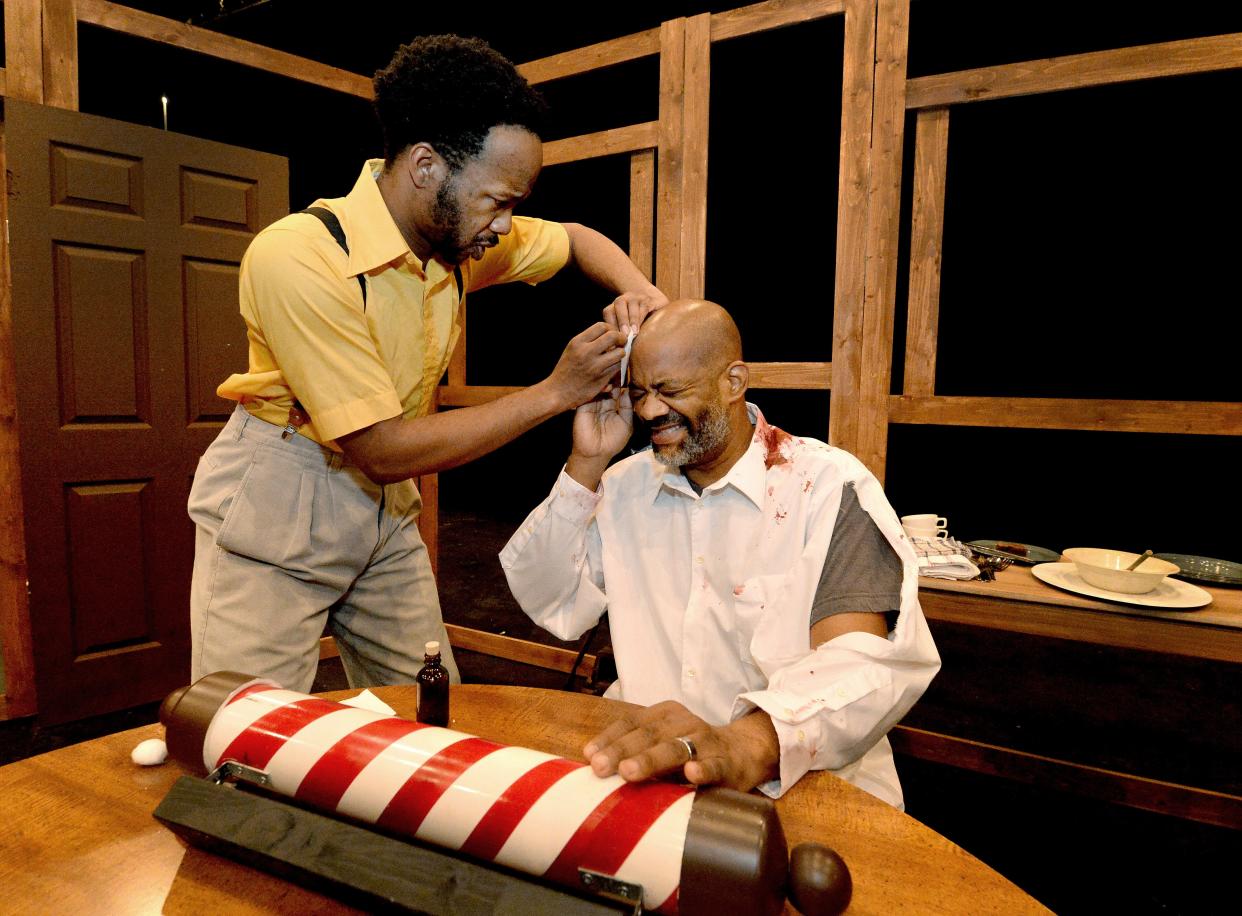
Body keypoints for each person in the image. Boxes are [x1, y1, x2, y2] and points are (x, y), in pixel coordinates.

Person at [188, 35, 665, 693]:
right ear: (425, 167)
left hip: (383, 510)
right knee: (244, 732)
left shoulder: (456, 242)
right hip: (282, 496)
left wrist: (643, 295)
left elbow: (578, 241)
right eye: (498, 200)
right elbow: (380, 448)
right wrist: (558, 391)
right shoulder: (299, 257)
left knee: (431, 711)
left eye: (516, 205)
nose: (505, 225)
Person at [500, 300, 940, 807]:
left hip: (802, 783)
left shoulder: (826, 487)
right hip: (654, 776)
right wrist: (587, 461)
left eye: (669, 390)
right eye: (639, 392)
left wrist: (743, 744)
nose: (647, 411)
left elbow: (861, 663)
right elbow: (549, 598)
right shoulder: (623, 486)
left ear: (733, 382)